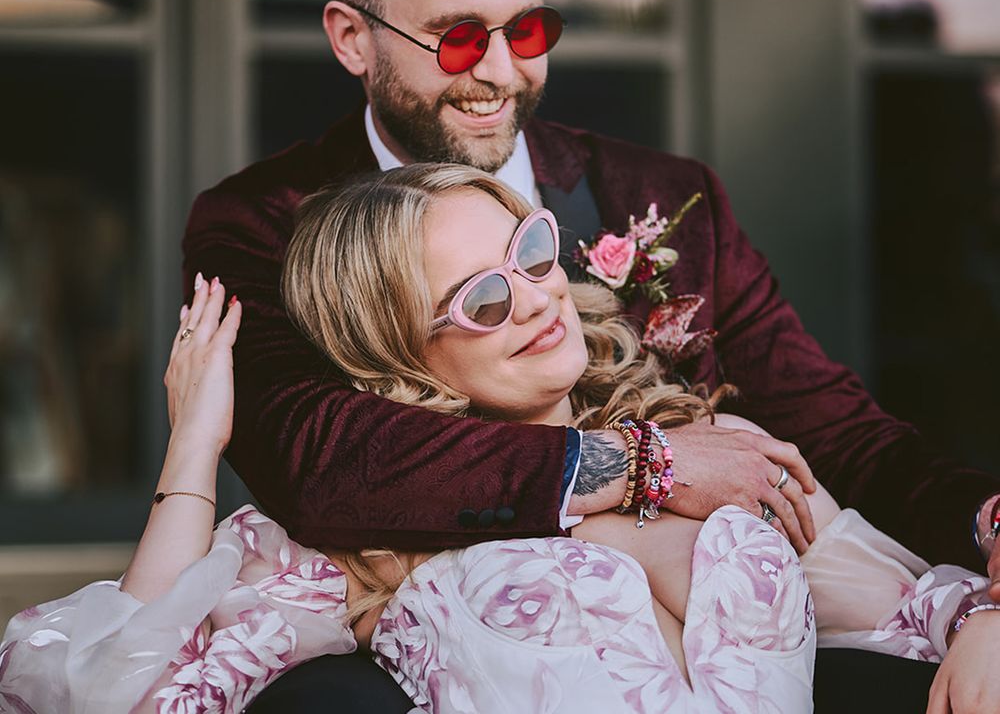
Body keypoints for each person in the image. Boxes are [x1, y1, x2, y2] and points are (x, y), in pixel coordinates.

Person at [181, 0, 1000, 710]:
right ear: (353, 38)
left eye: (526, 31)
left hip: (723, 635)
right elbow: (323, 458)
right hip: (446, 644)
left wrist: (989, 524)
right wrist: (645, 463)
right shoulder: (265, 222)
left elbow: (838, 434)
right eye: (458, 38)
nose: (501, 73)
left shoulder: (663, 195)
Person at [4, 164, 998, 713]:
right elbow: (105, 686)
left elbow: (914, 609)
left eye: (526, 255)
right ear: (408, 356)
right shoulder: (374, 549)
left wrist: (991, 616)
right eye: (481, 299)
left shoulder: (717, 446)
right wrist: (195, 443)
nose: (533, 301)